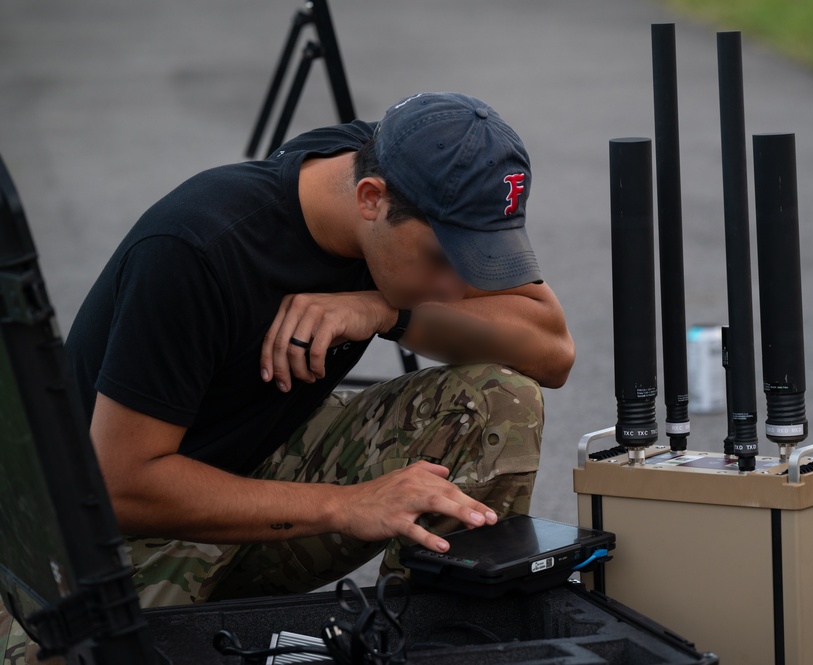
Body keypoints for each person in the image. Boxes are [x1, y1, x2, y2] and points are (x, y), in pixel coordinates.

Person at [2, 92, 572, 665]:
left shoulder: (413, 170)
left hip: (261, 464)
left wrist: (385, 310)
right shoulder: (193, 249)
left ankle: (426, 643)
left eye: (478, 261)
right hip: (100, 540)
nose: (454, 287)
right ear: (370, 199)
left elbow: (553, 352)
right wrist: (347, 504)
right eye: (443, 258)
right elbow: (119, 485)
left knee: (498, 398)